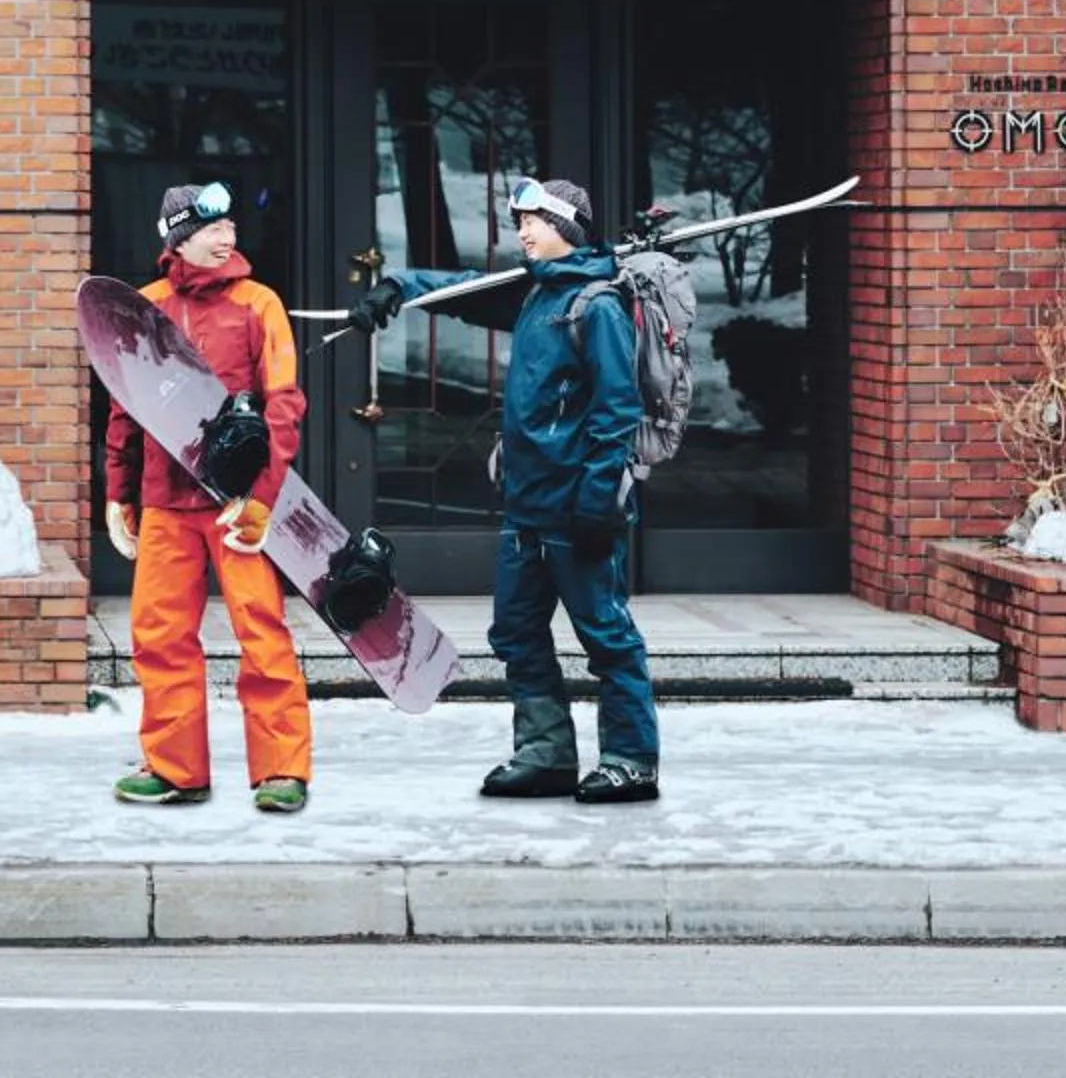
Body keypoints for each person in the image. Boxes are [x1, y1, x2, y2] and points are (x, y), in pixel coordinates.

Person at [354, 176, 660, 804]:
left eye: (532, 222)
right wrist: (398, 288)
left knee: (606, 635)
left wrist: (599, 500)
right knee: (516, 631)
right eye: (518, 221)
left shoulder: (595, 305)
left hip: (578, 508)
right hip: (526, 508)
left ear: (566, 228)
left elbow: (616, 411)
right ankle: (546, 754)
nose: (521, 232)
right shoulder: (534, 295)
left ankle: (631, 760)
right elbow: (461, 290)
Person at [103, 181, 313, 814]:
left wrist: (263, 496)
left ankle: (281, 770)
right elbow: (125, 407)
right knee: (160, 635)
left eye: (230, 228)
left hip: (236, 503)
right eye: (212, 228)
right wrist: (119, 493)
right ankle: (175, 768)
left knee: (262, 631)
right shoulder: (144, 307)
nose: (229, 237)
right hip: (166, 500)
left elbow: (284, 403)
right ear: (179, 237)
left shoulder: (259, 304)